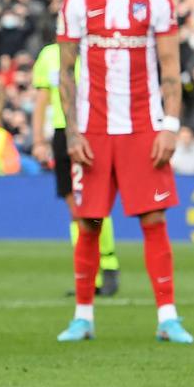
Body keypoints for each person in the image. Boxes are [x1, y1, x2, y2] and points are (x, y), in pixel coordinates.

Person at [56, 0, 194, 345]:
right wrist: (72, 133)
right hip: (94, 131)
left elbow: (171, 70)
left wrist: (170, 127)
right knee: (90, 222)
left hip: (143, 127)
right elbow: (65, 72)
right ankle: (83, 317)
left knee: (154, 219)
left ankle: (168, 317)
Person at [32, 41, 120, 296]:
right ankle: (88, 274)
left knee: (96, 203)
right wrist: (38, 140)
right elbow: (42, 100)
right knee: (75, 208)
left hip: (95, 131)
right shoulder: (49, 55)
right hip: (62, 133)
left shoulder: (96, 49)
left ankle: (109, 265)